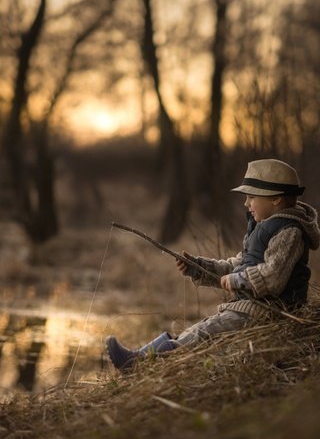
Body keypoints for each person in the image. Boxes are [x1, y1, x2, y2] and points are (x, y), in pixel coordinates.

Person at [106, 158, 320, 371]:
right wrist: (199, 267)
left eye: (251, 197)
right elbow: (237, 266)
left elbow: (273, 277)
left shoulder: (288, 232)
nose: (246, 204)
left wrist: (237, 280)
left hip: (269, 312)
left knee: (202, 334)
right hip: (248, 308)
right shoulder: (263, 228)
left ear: (275, 199)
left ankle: (138, 365)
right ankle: (136, 360)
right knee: (195, 331)